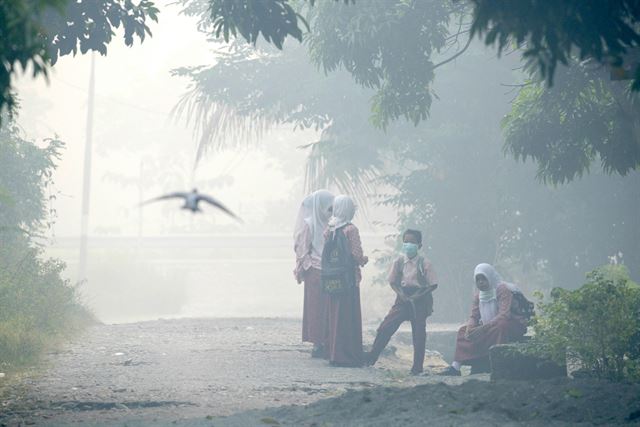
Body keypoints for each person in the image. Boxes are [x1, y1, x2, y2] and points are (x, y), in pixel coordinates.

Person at [365, 229, 438, 375]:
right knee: (386, 326)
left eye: (412, 242)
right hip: (403, 297)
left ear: (419, 245)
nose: (408, 245)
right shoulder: (398, 261)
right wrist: (402, 295)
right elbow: (392, 282)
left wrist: (418, 296)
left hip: (420, 298)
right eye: (406, 242)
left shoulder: (424, 263)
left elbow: (433, 284)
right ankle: (371, 358)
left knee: (418, 333)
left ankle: (417, 367)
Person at [440, 263, 528, 376]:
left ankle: (496, 362)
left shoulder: (502, 289)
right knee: (463, 331)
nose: (481, 282)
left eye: (483, 278)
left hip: (512, 324)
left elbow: (504, 315)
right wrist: (470, 329)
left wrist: (482, 328)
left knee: (501, 325)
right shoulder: (478, 295)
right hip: (490, 326)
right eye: (478, 279)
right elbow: (474, 316)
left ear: (490, 277)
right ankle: (456, 367)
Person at [323, 195, 368, 367]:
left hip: (332, 278)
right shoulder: (351, 229)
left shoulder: (329, 229)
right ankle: (348, 355)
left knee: (334, 315)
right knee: (348, 316)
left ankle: (333, 353)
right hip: (348, 279)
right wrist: (364, 260)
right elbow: (356, 254)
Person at [293, 190, 335, 357]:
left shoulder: (332, 223)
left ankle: (328, 340)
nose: (331, 210)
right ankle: (318, 343)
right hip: (315, 271)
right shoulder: (309, 224)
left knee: (329, 308)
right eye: (329, 207)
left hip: (331, 271)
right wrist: (305, 267)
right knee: (316, 308)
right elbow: (302, 248)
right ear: (321, 206)